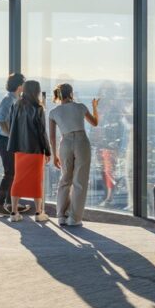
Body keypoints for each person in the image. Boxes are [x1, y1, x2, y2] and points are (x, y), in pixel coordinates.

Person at [49, 83, 99, 226]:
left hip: (65, 142)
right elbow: (95, 123)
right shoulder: (80, 107)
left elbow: (52, 137)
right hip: (81, 141)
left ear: (58, 95)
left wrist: (54, 155)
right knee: (80, 181)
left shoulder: (53, 112)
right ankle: (74, 218)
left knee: (65, 179)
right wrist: (95, 107)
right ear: (71, 93)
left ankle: (61, 216)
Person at [6, 80, 51, 223]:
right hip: (35, 149)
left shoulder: (16, 105)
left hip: (19, 149)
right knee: (36, 180)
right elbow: (42, 132)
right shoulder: (38, 108)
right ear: (36, 91)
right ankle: (39, 213)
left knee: (18, 179)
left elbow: (12, 126)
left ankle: (14, 213)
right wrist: (47, 150)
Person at [0, 73, 29, 216]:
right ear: (19, 86)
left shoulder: (15, 100)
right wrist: (12, 136)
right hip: (5, 140)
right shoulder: (8, 100)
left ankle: (9, 204)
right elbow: (2, 120)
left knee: (13, 173)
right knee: (9, 173)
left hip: (8, 140)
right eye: (23, 85)